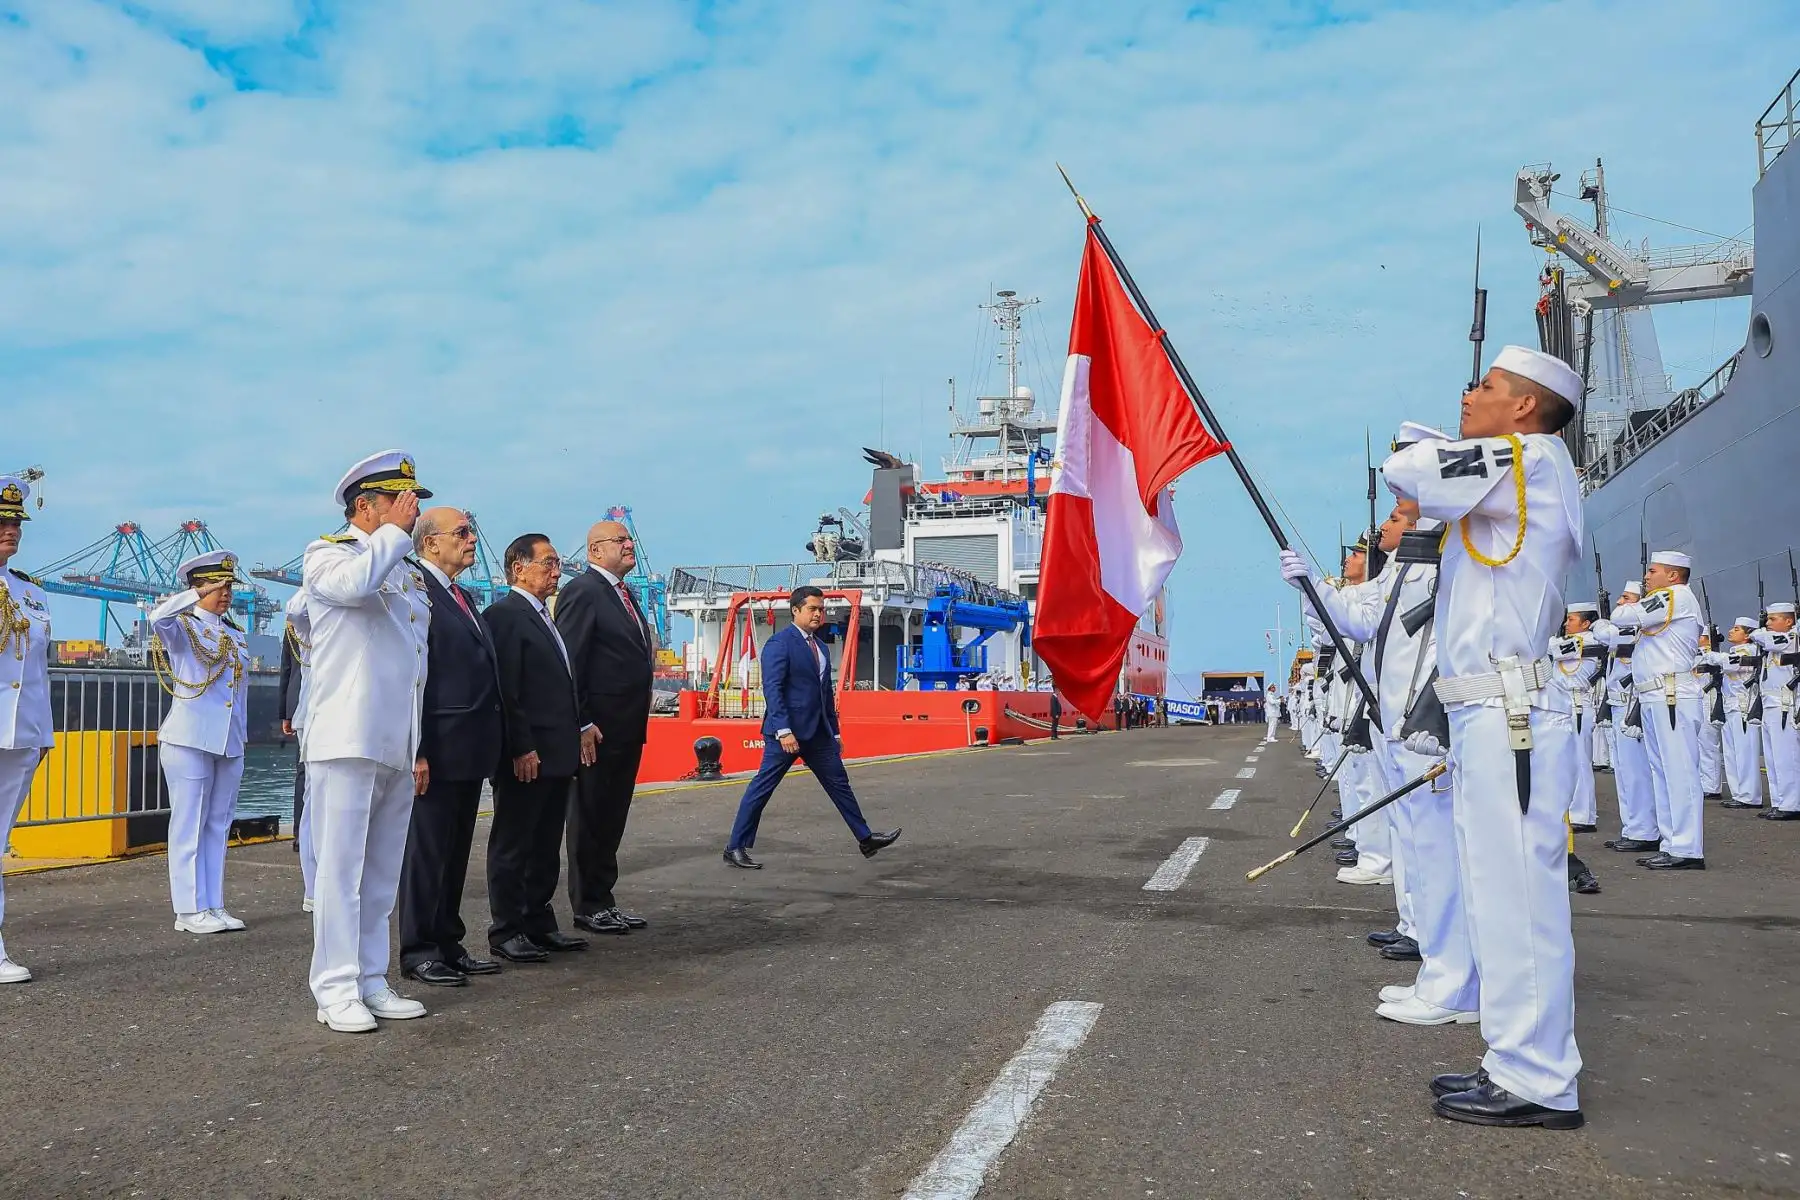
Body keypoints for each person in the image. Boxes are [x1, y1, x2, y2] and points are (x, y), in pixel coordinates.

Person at [1382, 344, 1586, 1129]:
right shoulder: (1519, 465)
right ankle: (1514, 1063)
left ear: (1526, 406)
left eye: (1488, 386)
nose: (1470, 394)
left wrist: (1442, 446)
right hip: (1484, 716)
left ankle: (1539, 1078)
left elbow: (1413, 477)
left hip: (1510, 717)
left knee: (1519, 899)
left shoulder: (1528, 457)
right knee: (1496, 894)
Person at [301, 450, 433, 1034]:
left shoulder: (399, 567)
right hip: (347, 735)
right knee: (339, 868)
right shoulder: (328, 555)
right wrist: (396, 538)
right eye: (399, 502)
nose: (410, 512)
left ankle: (371, 979)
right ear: (364, 506)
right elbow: (355, 588)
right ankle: (334, 987)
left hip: (397, 736)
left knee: (382, 868)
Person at [398, 508, 505, 987]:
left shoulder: (459, 594)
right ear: (429, 543)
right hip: (437, 745)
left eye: (471, 531)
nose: (471, 540)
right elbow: (412, 675)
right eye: (462, 533)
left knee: (456, 850)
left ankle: (447, 942)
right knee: (427, 853)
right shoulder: (416, 589)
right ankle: (419, 949)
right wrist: (416, 748)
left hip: (467, 746)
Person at [722, 586, 900, 868]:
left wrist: (835, 731)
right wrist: (783, 731)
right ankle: (735, 847)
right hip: (787, 734)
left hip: (818, 733)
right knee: (762, 789)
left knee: (840, 784)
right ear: (796, 610)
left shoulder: (820, 647)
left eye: (821, 609)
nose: (818, 614)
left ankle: (866, 839)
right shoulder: (780, 644)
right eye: (812, 609)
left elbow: (824, 694)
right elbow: (773, 689)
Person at [484, 534, 593, 963]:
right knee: (514, 842)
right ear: (517, 567)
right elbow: (508, 690)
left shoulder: (544, 617)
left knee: (545, 843)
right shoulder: (506, 616)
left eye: (557, 563)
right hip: (528, 755)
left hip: (555, 753)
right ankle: (507, 929)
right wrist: (521, 746)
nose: (556, 570)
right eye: (547, 562)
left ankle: (538, 922)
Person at [556, 520, 655, 937]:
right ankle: (588, 904)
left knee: (612, 816)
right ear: (595, 551)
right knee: (591, 815)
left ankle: (604, 898)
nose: (630, 544)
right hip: (596, 731)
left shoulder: (624, 594)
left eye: (629, 538)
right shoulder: (583, 591)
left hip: (627, 729)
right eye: (621, 540)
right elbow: (570, 662)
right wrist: (581, 722)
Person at [148, 550, 251, 934]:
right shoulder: (182, 628)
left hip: (228, 741)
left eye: (228, 587)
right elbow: (157, 617)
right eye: (217, 587)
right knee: (189, 823)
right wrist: (195, 594)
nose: (225, 594)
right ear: (197, 587)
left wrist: (241, 737)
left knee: (218, 824)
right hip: (189, 738)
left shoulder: (235, 634)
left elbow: (237, 696)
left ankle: (214, 903)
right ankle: (189, 910)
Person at [1607, 551, 1706, 868]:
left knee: (1679, 772)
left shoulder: (1676, 596)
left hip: (1672, 695)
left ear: (1673, 575)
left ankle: (1687, 849)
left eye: (1652, 571)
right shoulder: (1667, 601)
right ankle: (1672, 843)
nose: (1646, 577)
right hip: (1655, 696)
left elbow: (1622, 618)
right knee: (1663, 773)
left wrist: (1626, 608)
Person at [0, 476, 53, 984]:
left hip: (18, 735)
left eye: (15, 522)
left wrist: (42, 736)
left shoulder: (29, 591)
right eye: (2, 521)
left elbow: (35, 671)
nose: (11, 529)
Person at [1595, 582, 1658, 853]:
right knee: (1623, 773)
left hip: (1632, 706)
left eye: (1627, 598)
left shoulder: (1633, 627)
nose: (1621, 602)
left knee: (1637, 773)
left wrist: (1602, 621)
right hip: (1618, 705)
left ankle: (1645, 831)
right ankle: (1632, 828)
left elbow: (1604, 634)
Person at [1551, 603, 1605, 832]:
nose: (1566, 623)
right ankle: (1571, 809)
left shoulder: (1589, 640)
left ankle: (1584, 815)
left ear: (1585, 623)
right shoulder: (1571, 642)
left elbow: (1551, 649)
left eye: (1571, 619)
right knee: (1566, 762)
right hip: (1563, 704)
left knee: (1581, 762)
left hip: (1578, 705)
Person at [279, 588, 317, 912]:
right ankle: (314, 888)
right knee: (313, 800)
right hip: (314, 717)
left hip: (351, 719)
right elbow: (295, 608)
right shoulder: (305, 622)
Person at [1752, 602, 1800, 821]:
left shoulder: (1790, 639)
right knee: (1772, 758)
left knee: (1785, 757)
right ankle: (1779, 801)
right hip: (1770, 705)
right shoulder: (1775, 643)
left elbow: (1761, 637)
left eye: (1773, 619)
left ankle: (1792, 804)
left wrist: (1761, 629)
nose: (1768, 624)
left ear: (1789, 621)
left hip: (1784, 705)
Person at [1712, 618, 1764, 809]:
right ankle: (1739, 793)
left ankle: (1750, 796)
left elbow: (1733, 665)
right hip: (1730, 706)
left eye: (1737, 629)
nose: (1731, 631)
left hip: (1743, 708)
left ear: (1747, 634)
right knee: (1732, 753)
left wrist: (1714, 656)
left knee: (1745, 753)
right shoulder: (1733, 652)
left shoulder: (1749, 652)